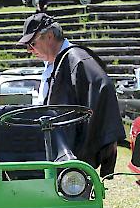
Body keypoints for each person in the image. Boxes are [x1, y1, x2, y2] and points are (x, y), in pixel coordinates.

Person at [17, 13, 125, 177]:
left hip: (71, 157)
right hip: (57, 153)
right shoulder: (55, 63)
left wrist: (93, 145)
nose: (29, 50)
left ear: (50, 36)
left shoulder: (77, 59)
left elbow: (104, 88)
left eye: (32, 43)